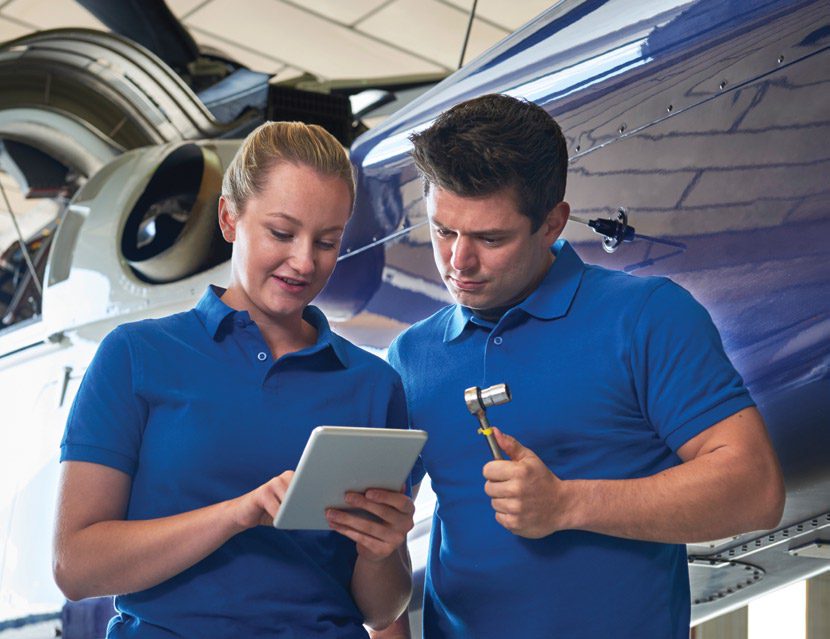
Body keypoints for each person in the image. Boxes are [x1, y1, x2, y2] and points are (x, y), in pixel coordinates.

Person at [380, 94, 785, 638]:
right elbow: (373, 535)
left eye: (489, 238)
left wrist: (568, 504)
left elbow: (755, 490)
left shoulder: (646, 317)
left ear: (553, 223)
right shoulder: (411, 356)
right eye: (443, 231)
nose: (458, 262)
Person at [53, 121, 415, 638]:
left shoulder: (374, 385)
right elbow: (76, 566)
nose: (304, 261)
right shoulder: (137, 356)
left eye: (328, 241)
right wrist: (236, 515)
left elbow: (382, 611)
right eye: (282, 233)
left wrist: (381, 552)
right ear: (229, 217)